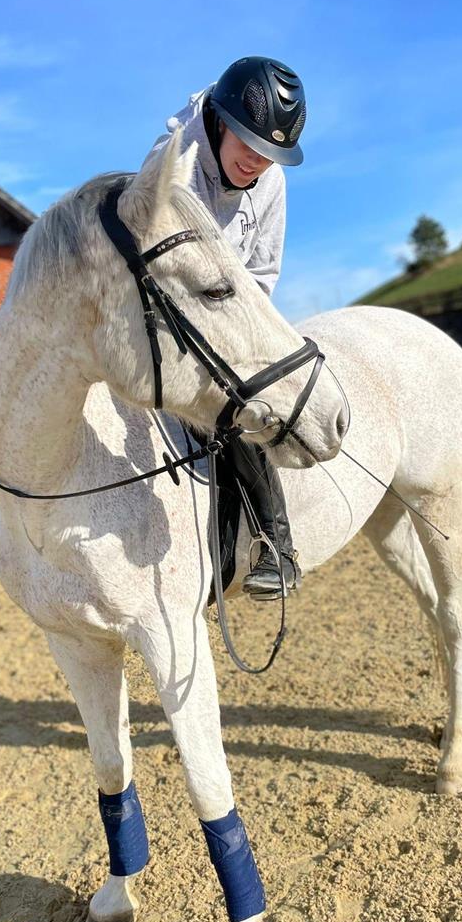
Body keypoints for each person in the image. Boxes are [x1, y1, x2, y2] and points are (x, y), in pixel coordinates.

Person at [146, 56, 307, 599]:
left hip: (235, 317)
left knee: (250, 395)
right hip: (167, 314)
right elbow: (154, 266)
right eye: (249, 146)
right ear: (220, 122)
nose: (257, 162)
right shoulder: (173, 165)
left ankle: (277, 545)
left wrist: (243, 336)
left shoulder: (271, 182)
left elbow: (261, 273)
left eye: (270, 153)